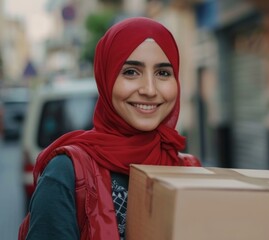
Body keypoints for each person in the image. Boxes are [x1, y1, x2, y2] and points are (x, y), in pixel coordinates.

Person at [19, 17, 201, 240]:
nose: (150, 90)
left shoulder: (186, 168)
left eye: (163, 73)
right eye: (131, 72)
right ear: (105, 77)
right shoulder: (67, 173)